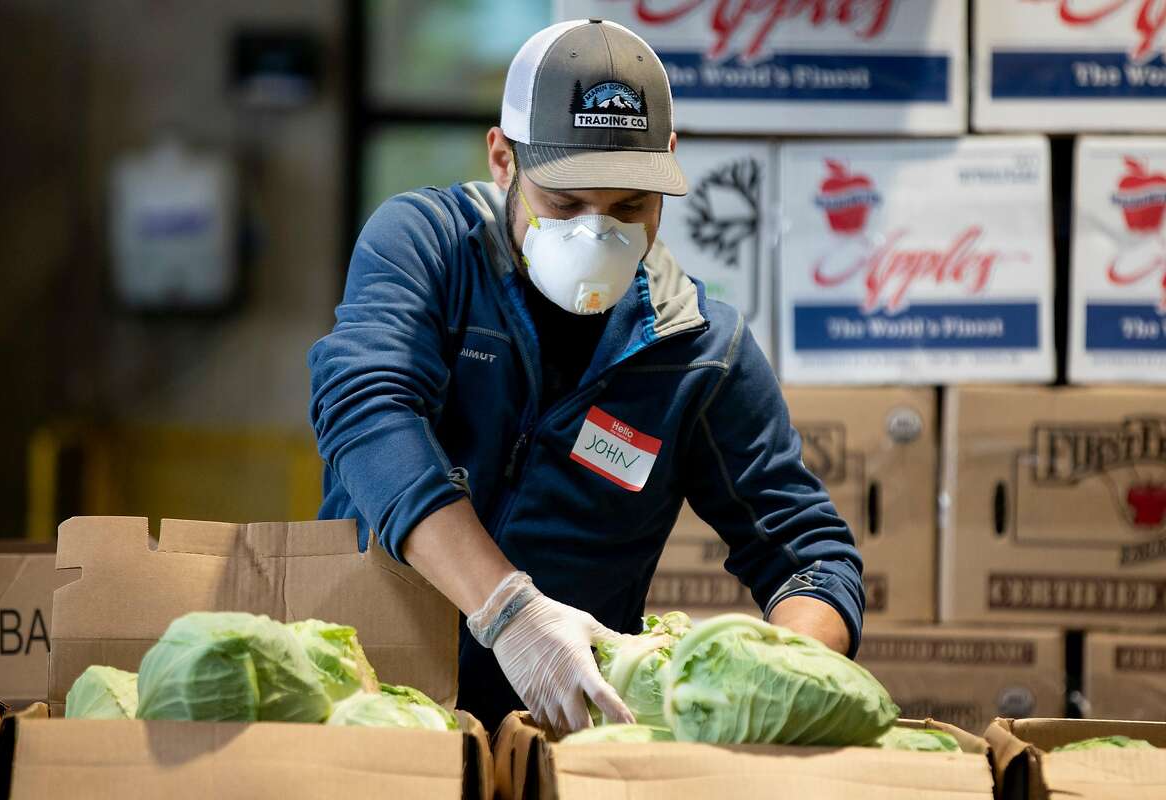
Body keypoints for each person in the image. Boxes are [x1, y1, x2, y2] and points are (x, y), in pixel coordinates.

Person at [308, 19, 864, 737]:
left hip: (561, 736)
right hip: (370, 712)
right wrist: (509, 611)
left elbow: (810, 556)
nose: (597, 235)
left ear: (667, 163)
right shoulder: (429, 251)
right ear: (502, 159)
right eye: (565, 205)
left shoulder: (697, 350)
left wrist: (771, 682)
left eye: (631, 207)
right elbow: (365, 409)